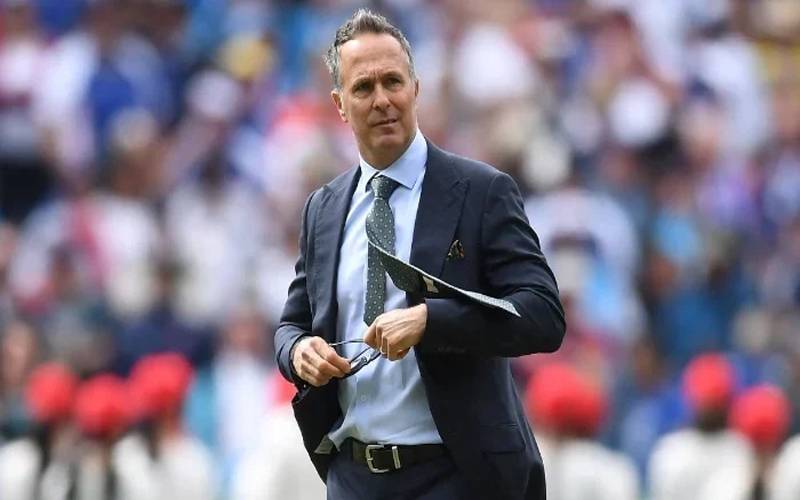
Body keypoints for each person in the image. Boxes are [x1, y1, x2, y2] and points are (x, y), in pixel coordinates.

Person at [274, 9, 565, 500]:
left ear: (416, 87)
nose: (382, 99)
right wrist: (299, 352)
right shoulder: (323, 209)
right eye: (363, 87)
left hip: (456, 475)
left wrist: (431, 320)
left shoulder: (480, 191)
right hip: (354, 475)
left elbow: (543, 316)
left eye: (393, 81)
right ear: (339, 104)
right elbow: (290, 326)